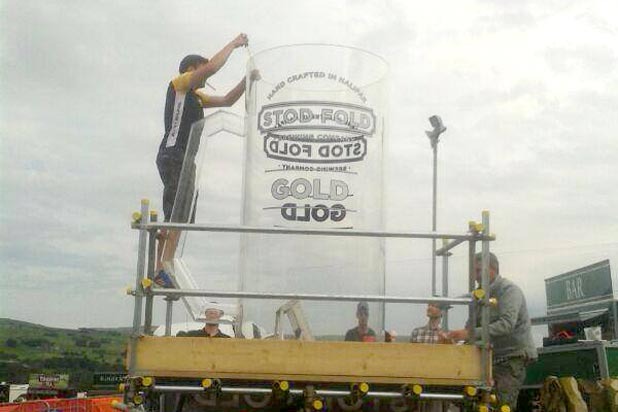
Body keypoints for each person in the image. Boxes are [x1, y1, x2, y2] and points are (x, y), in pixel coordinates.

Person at [155, 33, 258, 285]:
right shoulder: (179, 85)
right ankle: (162, 269)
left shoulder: (197, 98)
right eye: (201, 69)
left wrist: (248, 79)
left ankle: (163, 267)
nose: (207, 75)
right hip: (173, 153)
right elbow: (212, 67)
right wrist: (234, 44)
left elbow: (227, 100)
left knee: (179, 213)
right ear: (191, 69)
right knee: (177, 212)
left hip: (184, 158)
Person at [447, 252, 537, 410]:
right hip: (488, 359)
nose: (474, 276)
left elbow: (506, 324)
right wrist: (455, 338)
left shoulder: (509, 291)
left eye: (477, 271)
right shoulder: (480, 295)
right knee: (474, 402)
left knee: (500, 404)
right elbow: (471, 325)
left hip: (510, 359)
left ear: (491, 269)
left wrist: (469, 333)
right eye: (473, 271)